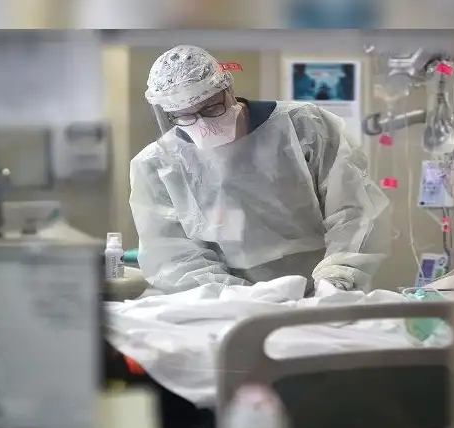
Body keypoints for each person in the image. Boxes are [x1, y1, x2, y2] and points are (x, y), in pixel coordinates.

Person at [130, 45, 390, 294]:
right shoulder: (158, 165)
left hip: (324, 289)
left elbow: (355, 210)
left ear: (228, 88)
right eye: (185, 116)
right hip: (229, 303)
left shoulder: (305, 127)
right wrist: (238, 298)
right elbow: (172, 256)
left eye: (211, 108)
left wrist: (336, 280)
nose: (203, 124)